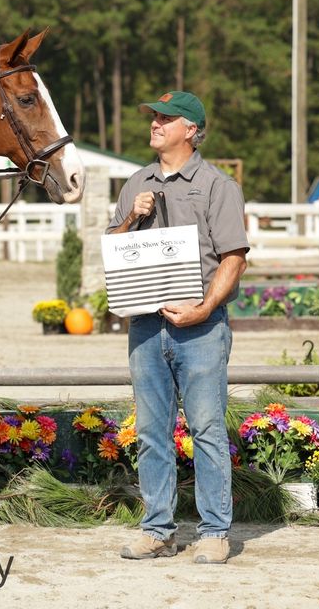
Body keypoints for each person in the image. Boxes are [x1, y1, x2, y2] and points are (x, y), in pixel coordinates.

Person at [106, 90, 249, 565]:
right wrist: (131, 217)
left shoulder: (217, 185)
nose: (155, 124)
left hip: (201, 329)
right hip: (146, 328)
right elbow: (113, 248)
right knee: (150, 432)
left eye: (166, 119)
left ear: (190, 130)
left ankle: (213, 533)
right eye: (154, 117)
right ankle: (158, 531)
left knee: (206, 428)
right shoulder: (135, 183)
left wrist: (205, 309)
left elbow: (234, 258)